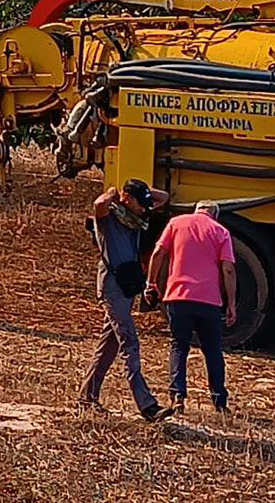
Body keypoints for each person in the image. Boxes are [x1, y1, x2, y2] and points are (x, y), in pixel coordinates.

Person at [81, 179, 174, 421]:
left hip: (125, 287)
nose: (145, 208)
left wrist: (139, 191)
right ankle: (147, 406)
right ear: (126, 199)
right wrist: (116, 191)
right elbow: (98, 203)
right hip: (112, 288)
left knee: (108, 347)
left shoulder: (135, 218)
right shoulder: (108, 219)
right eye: (139, 203)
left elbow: (163, 196)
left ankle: (86, 397)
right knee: (129, 343)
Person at [147, 200, 238, 413]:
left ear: (196, 210)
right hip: (209, 300)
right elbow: (228, 270)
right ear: (214, 215)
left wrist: (151, 282)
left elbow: (158, 253)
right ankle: (219, 401)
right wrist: (231, 303)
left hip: (178, 296)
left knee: (179, 345)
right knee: (213, 350)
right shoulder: (221, 232)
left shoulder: (176, 223)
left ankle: (177, 396)